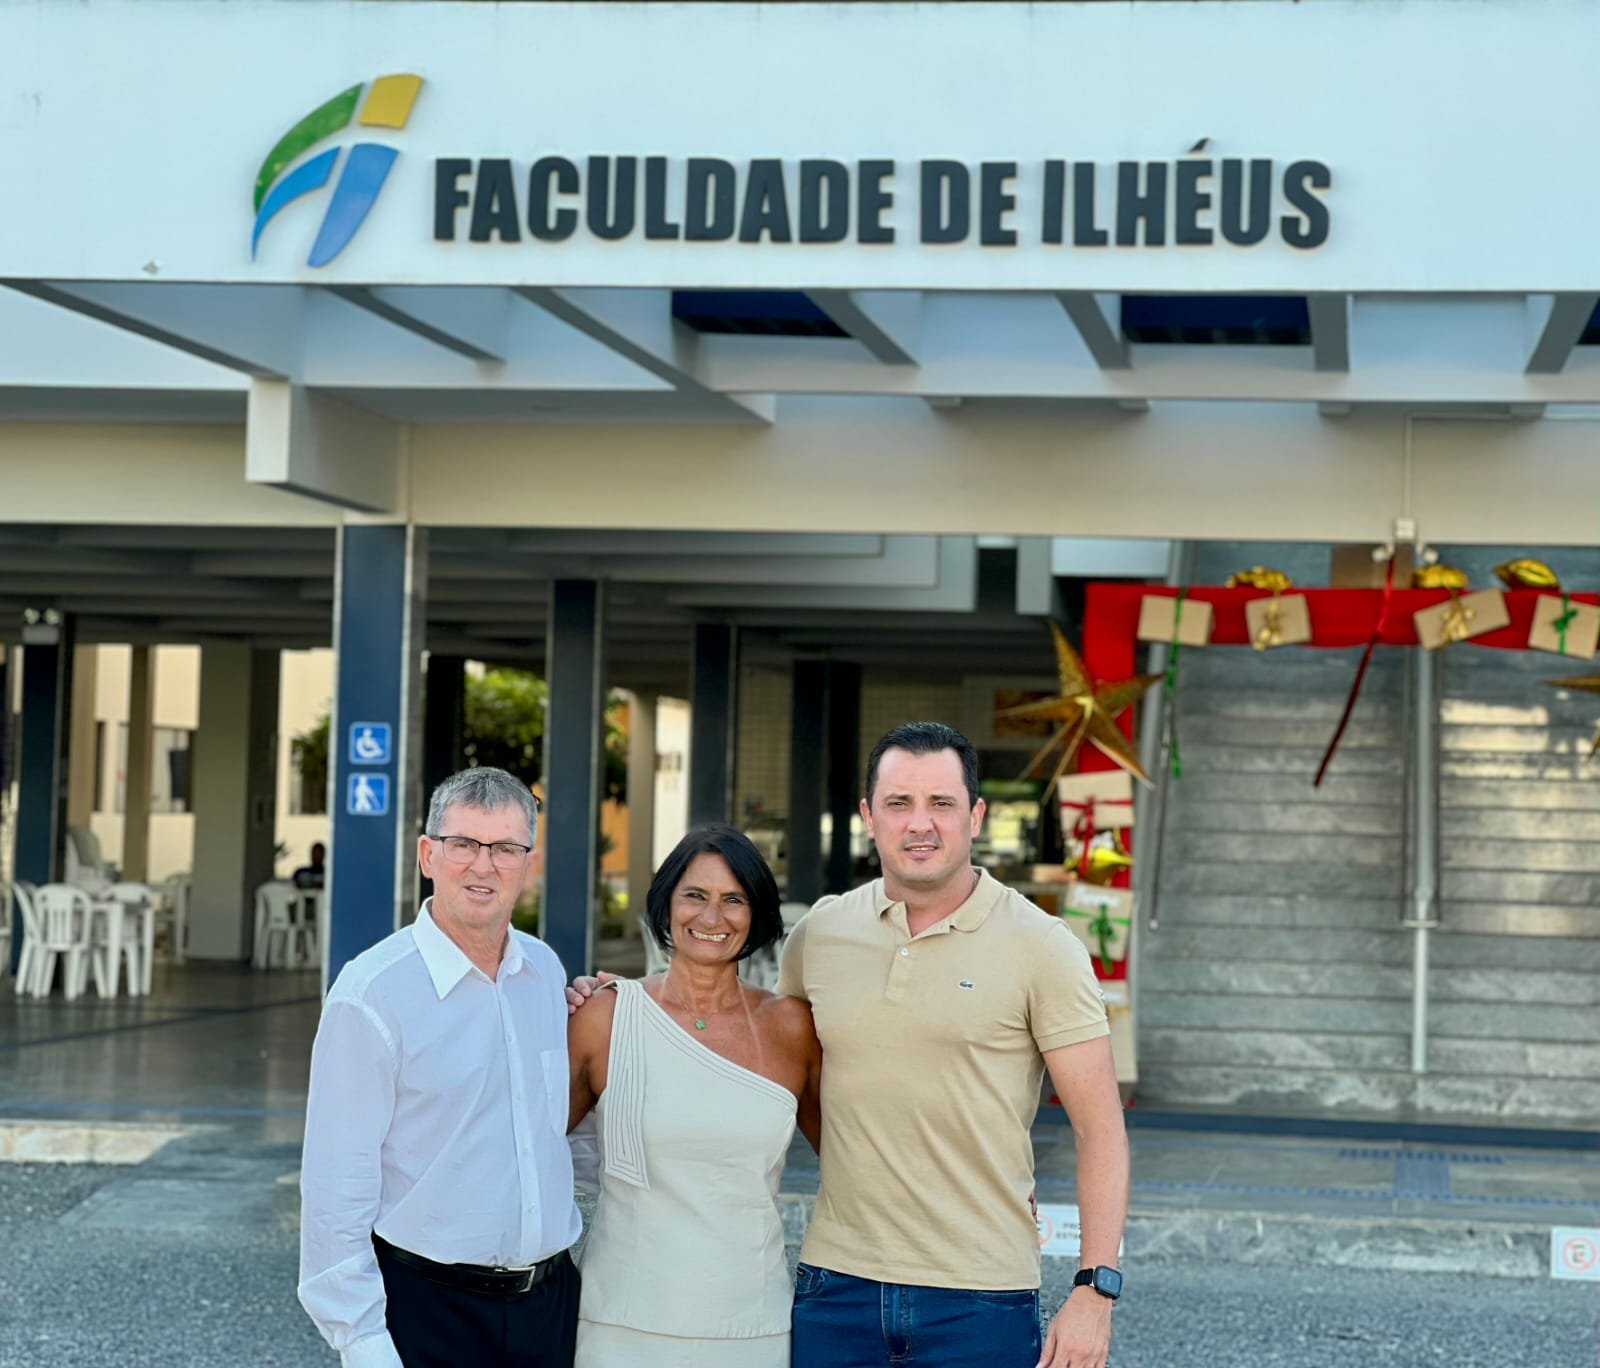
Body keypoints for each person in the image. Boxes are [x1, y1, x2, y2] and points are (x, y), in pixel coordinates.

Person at [781, 721, 1129, 1368]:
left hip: (981, 1295)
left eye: (941, 803)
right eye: (899, 803)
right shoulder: (820, 935)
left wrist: (1095, 1288)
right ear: (868, 817)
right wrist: (622, 1000)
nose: (920, 824)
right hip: (835, 1286)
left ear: (976, 815)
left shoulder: (1042, 945)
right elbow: (785, 1068)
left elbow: (1101, 1130)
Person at [298, 767, 581, 1368]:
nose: (484, 865)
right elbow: (335, 1186)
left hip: (549, 1308)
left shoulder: (545, 973)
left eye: (505, 848)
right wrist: (362, 1341)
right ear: (428, 855)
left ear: (528, 864)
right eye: (464, 844)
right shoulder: (371, 993)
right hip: (426, 1311)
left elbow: (555, 1129)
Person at [566, 823, 822, 1368]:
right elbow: (524, 1146)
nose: (711, 917)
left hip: (752, 1323)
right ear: (665, 905)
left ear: (757, 914)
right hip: (621, 1322)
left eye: (734, 899)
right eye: (695, 896)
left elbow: (852, 1157)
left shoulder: (791, 1027)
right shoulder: (605, 1016)